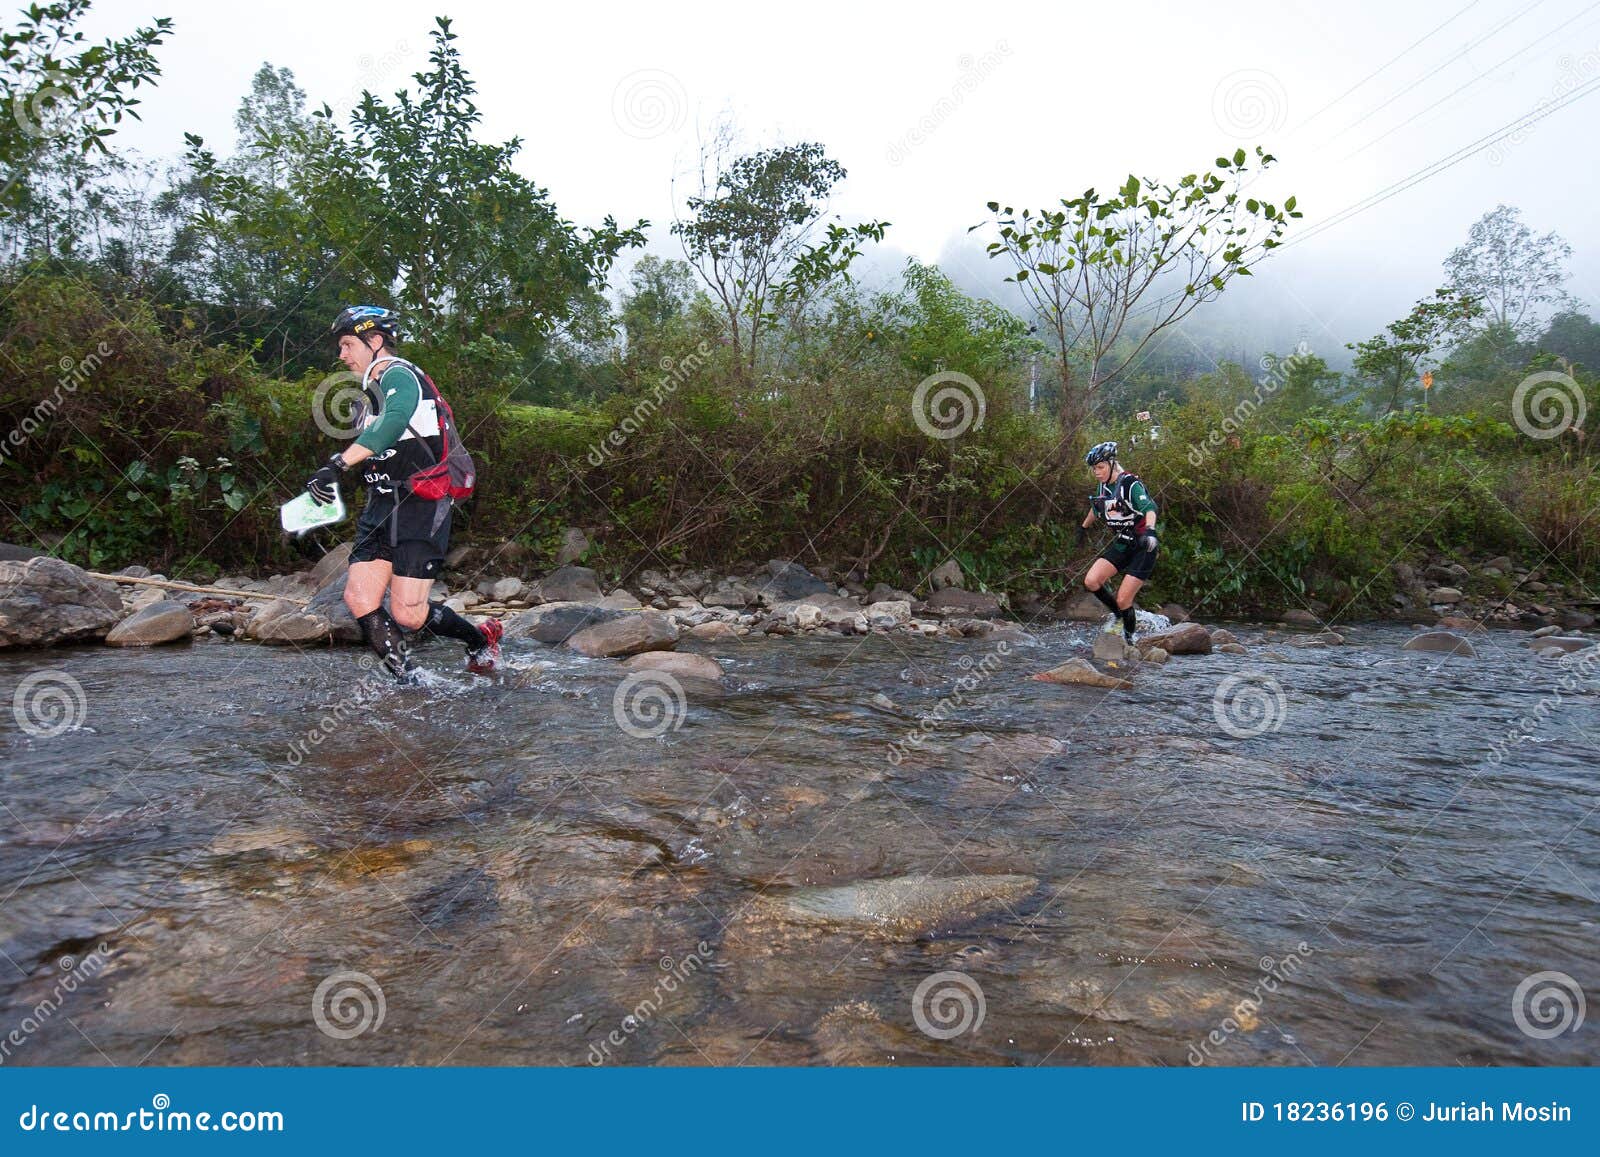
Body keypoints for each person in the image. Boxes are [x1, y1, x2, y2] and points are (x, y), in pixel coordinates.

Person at [306, 305, 502, 680]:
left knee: (409, 614)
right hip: (381, 505)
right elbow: (380, 445)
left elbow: (395, 422)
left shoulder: (400, 375)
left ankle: (480, 640)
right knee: (359, 598)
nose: (341, 355)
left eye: (347, 345)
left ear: (375, 341)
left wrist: (337, 465)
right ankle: (411, 682)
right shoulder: (369, 393)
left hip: (421, 506)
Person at [1076, 440, 1158, 644]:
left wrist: (1150, 531)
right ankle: (1119, 616)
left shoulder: (1130, 484)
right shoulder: (1103, 486)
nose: (1096, 472)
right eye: (1094, 468)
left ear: (1112, 463)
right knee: (1091, 581)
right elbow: (1097, 508)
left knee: (1123, 599)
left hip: (1143, 546)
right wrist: (1083, 528)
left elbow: (1150, 508)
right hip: (1123, 543)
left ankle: (1130, 641)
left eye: (1100, 467)